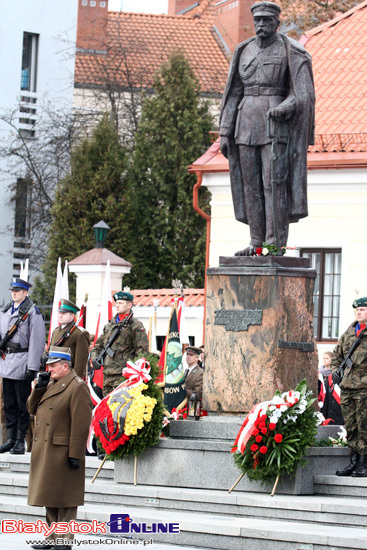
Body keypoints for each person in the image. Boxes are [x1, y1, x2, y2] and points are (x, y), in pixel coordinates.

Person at [219, 1, 315, 255]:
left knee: (274, 184)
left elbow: (302, 95)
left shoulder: (291, 50)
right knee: (250, 186)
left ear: (277, 23)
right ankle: (256, 242)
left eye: (267, 21)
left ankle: (274, 244)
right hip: (245, 124)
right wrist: (224, 131)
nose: (261, 25)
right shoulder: (243, 51)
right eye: (258, 20)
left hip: (276, 127)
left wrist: (285, 107)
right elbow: (233, 94)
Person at [27, 346, 93, 550]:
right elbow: (30, 408)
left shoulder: (77, 386)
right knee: (49, 494)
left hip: (63, 450)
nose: (49, 369)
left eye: (53, 365)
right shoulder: (50, 384)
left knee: (65, 498)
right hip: (46, 448)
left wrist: (75, 453)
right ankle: (51, 537)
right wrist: (39, 387)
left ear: (65, 366)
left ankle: (64, 540)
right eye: (48, 365)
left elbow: (81, 422)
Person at [0, 278, 45, 454]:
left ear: (26, 293)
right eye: (13, 290)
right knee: (8, 402)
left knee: (22, 404)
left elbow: (37, 341)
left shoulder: (33, 313)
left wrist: (32, 367)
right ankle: (10, 438)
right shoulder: (5, 311)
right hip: (6, 360)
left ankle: (20, 440)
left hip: (22, 361)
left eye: (18, 291)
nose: (14, 293)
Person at [331, 297, 367, 477]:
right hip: (347, 388)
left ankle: (363, 462)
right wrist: (334, 372)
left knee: (364, 426)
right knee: (351, 426)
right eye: (357, 310)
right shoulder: (348, 334)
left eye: (362, 309)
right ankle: (353, 461)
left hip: (364, 389)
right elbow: (336, 356)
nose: (359, 312)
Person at [91, 291, 149, 396]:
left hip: (124, 376)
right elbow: (98, 346)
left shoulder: (135, 325)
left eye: (121, 303)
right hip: (108, 374)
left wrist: (133, 373)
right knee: (107, 408)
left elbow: (142, 351)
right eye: (116, 303)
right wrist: (95, 358)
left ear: (129, 305)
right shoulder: (109, 325)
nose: (117, 305)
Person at [49, 299, 90, 379]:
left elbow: (80, 362)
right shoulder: (56, 331)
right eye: (60, 313)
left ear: (72, 316)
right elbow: (50, 350)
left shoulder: (80, 333)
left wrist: (76, 381)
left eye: (64, 313)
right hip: (54, 374)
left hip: (68, 377)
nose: (60, 315)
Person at [318, 351, 344, 425]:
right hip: (327, 403)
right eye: (323, 358)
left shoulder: (335, 374)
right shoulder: (320, 373)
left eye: (327, 358)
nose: (324, 360)